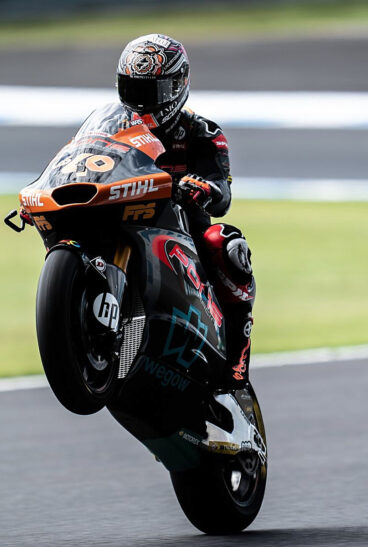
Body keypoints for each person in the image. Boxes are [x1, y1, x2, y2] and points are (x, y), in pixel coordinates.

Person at [87, 33, 255, 389]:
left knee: (228, 244)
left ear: (178, 86)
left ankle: (238, 360)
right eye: (132, 89)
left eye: (151, 92)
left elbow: (222, 196)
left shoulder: (203, 132)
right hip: (124, 214)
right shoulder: (109, 124)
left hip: (181, 232)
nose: (139, 101)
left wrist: (202, 187)